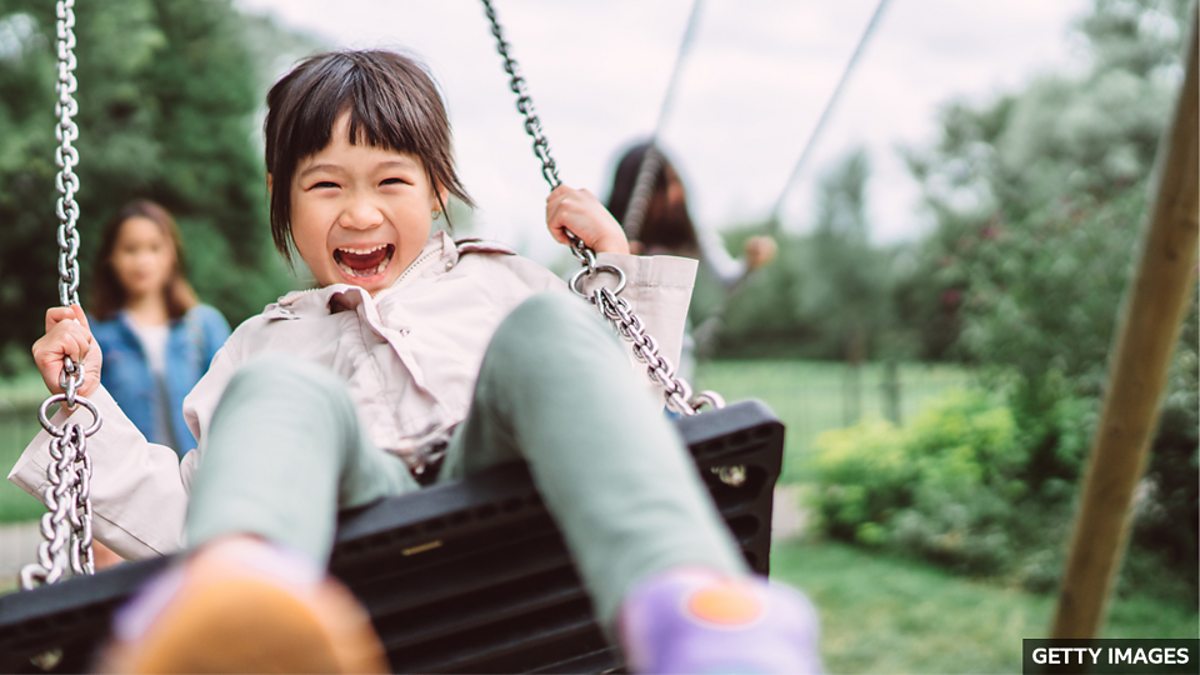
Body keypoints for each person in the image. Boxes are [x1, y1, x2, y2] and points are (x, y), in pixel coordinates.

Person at [13, 50, 818, 674]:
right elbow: (187, 511)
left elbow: (617, 422)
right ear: (282, 197)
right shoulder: (258, 343)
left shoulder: (503, 280)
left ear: (435, 189)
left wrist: (619, 279)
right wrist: (85, 410)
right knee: (278, 389)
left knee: (551, 330)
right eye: (324, 184)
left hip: (503, 493)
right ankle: (242, 599)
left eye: (390, 180)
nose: (359, 211)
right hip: (349, 529)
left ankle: (692, 610)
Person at [606, 141, 778, 379]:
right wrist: (615, 256)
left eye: (674, 183)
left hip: (671, 357)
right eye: (660, 188)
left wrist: (750, 263)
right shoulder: (610, 233)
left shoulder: (691, 234)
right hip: (618, 351)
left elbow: (728, 280)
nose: (672, 195)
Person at [90, 200, 231, 457]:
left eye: (154, 248)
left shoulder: (203, 326)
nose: (143, 260)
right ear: (111, 257)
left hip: (196, 481)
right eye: (130, 249)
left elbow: (230, 406)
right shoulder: (95, 333)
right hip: (129, 482)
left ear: (171, 254)